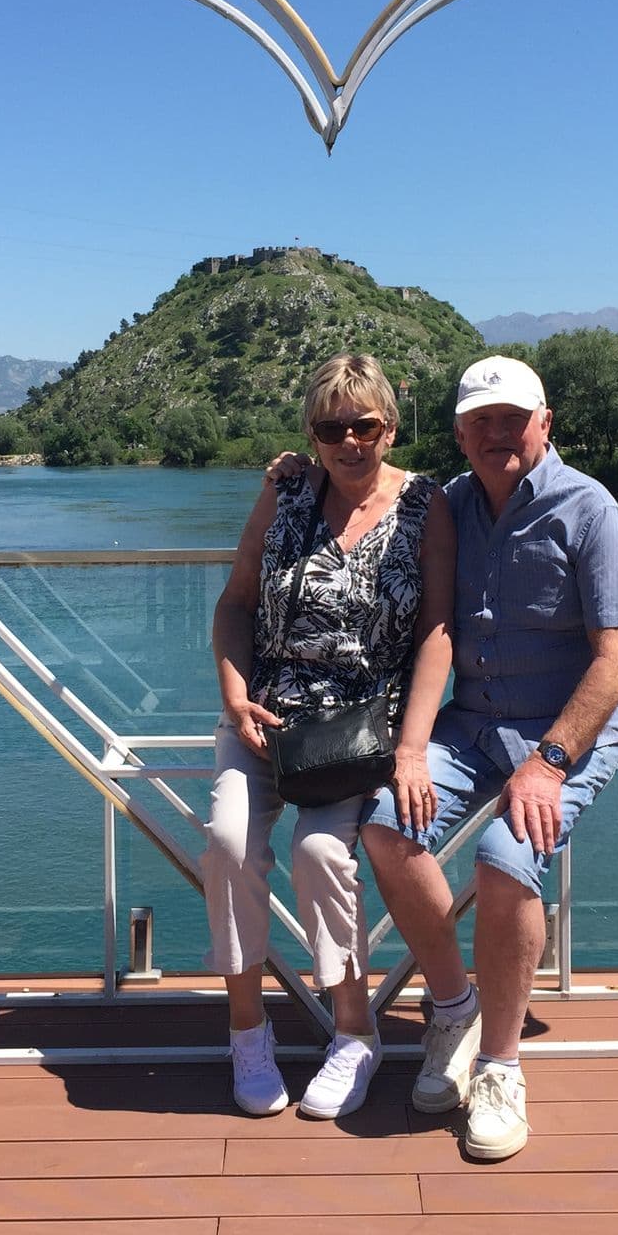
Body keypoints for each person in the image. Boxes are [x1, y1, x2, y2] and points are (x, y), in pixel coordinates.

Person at [361, 355, 618, 1161]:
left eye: (513, 418)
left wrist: (551, 761)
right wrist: (289, 473)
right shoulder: (451, 505)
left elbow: (616, 663)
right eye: (480, 421)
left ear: (545, 422)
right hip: (475, 721)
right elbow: (361, 480)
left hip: (567, 727)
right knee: (386, 829)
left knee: (503, 859)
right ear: (458, 432)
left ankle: (500, 1064)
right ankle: (452, 1008)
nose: (498, 434)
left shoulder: (590, 512)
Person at [206, 353, 455, 1119]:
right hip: (266, 722)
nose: (349, 442)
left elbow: (438, 632)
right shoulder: (283, 492)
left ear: (390, 425)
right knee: (226, 842)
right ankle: (247, 1030)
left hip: (359, 732)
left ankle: (355, 1032)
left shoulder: (425, 505)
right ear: (310, 435)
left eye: (364, 425)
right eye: (329, 428)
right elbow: (236, 605)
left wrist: (412, 748)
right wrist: (237, 697)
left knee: (319, 854)